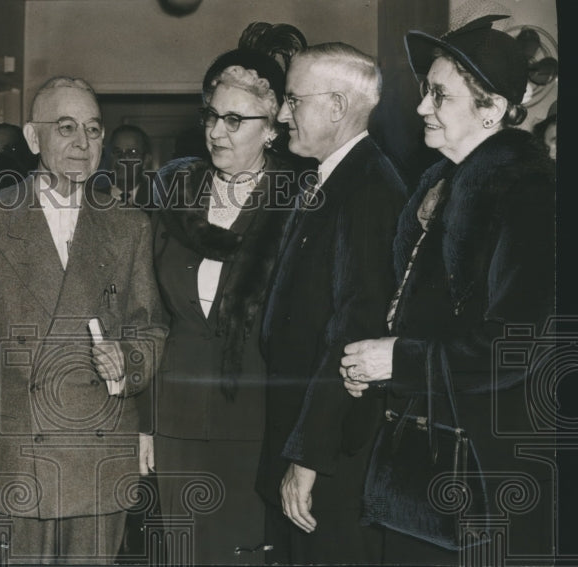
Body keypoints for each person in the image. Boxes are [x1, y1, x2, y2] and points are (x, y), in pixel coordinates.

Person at [340, 15, 555, 565]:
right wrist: (378, 360)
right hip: (431, 470)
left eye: (439, 94)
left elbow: (517, 347)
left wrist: (400, 361)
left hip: (493, 475)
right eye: (424, 91)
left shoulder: (530, 192)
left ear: (491, 108)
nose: (420, 108)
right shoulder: (440, 185)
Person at [0, 76, 167, 564]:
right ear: (32, 137)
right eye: (65, 127)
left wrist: (127, 360)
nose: (82, 143)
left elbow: (149, 326)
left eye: (92, 128)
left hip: (100, 459)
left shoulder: (129, 223)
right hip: (18, 457)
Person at [148, 23, 305, 565]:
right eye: (212, 115)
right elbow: (147, 314)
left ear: (273, 129)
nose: (217, 130)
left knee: (247, 553)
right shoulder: (175, 192)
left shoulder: (299, 203)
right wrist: (144, 422)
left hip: (258, 417)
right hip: (177, 416)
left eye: (235, 120)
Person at [258, 42, 407, 565]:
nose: (282, 114)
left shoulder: (367, 189)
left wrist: (308, 456)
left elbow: (353, 331)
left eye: (294, 100)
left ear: (338, 107)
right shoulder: (334, 178)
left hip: (333, 454)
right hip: (313, 437)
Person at [108, 124, 154, 207]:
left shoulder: (158, 202)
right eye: (117, 151)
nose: (122, 158)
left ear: (146, 160)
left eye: (132, 153)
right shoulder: (91, 197)